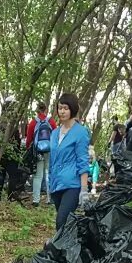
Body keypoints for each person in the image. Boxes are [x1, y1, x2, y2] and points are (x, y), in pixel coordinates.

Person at [48, 93, 92, 230]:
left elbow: (83, 161)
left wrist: (84, 190)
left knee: (61, 221)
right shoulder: (54, 133)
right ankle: (70, 248)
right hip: (56, 184)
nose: (62, 111)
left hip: (72, 184)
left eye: (65, 108)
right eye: (60, 108)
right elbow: (52, 159)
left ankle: (60, 250)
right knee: (65, 225)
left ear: (72, 109)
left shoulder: (80, 132)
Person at [26, 101, 57, 207]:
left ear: (37, 110)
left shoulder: (33, 122)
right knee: (49, 173)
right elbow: (56, 136)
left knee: (38, 175)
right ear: (46, 110)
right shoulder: (51, 121)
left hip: (38, 151)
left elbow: (29, 139)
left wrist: (29, 150)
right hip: (50, 150)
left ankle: (36, 200)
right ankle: (50, 198)